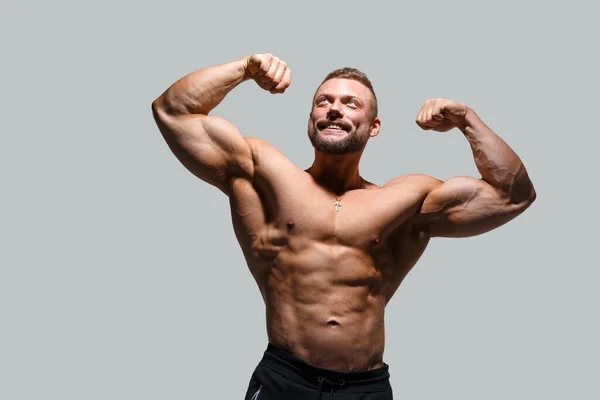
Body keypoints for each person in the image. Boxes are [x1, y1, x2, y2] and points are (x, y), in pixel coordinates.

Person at [151, 53, 536, 399]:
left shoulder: (406, 200)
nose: (334, 110)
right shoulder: (261, 174)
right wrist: (244, 69)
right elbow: (172, 111)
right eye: (324, 101)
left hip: (364, 388)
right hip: (284, 379)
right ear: (311, 118)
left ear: (373, 126)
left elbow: (512, 195)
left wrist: (467, 120)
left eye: (351, 103)